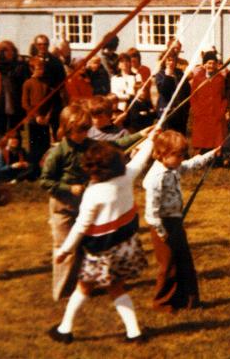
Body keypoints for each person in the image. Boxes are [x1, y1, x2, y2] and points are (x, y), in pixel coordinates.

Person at [47, 137, 153, 344]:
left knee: (84, 287)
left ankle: (64, 330)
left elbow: (81, 226)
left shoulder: (93, 193)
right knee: (116, 288)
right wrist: (151, 139)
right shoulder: (127, 176)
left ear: (93, 169)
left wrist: (65, 250)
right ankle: (134, 333)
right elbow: (141, 159)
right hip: (125, 245)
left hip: (102, 253)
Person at [40, 103, 144, 301]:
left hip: (83, 203)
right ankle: (62, 293)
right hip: (62, 206)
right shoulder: (57, 153)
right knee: (65, 248)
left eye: (87, 129)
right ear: (67, 129)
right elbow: (45, 180)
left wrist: (142, 134)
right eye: (80, 130)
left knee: (83, 245)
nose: (84, 133)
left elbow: (116, 145)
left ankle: (83, 286)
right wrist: (68, 188)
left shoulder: (90, 144)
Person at [143, 130, 218, 312]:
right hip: (162, 225)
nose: (180, 159)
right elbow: (151, 211)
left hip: (175, 222)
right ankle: (162, 303)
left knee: (185, 261)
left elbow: (190, 165)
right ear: (162, 154)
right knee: (168, 264)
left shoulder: (173, 167)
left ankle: (190, 301)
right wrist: (162, 232)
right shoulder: (156, 178)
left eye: (181, 155)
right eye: (177, 155)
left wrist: (211, 154)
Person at [190, 51, 228, 154]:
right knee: (203, 136)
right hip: (202, 113)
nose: (210, 66)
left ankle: (216, 157)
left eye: (213, 63)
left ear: (216, 64)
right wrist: (196, 110)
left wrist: (222, 110)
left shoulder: (220, 79)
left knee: (216, 137)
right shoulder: (198, 78)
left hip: (216, 113)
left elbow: (224, 97)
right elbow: (193, 97)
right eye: (208, 63)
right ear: (204, 64)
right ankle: (201, 155)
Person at [0, 40, 30, 136]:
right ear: (1, 53)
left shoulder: (21, 66)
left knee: (18, 133)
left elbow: (26, 85)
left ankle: (18, 150)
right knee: (2, 132)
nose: (10, 53)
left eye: (12, 51)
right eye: (6, 51)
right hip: (1, 104)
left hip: (16, 104)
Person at [21, 57, 52, 169]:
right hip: (33, 119)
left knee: (45, 144)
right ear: (32, 69)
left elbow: (51, 101)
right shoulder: (28, 83)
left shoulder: (46, 83)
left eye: (42, 68)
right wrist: (36, 116)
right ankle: (33, 168)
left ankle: (45, 166)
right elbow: (25, 103)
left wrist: (48, 115)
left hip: (45, 119)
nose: (41, 71)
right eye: (38, 69)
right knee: (34, 145)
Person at [154, 52, 191, 135]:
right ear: (164, 61)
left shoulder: (180, 73)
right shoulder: (160, 75)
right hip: (167, 111)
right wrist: (168, 76)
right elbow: (164, 91)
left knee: (180, 137)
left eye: (173, 60)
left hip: (180, 112)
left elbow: (187, 90)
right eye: (169, 60)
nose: (171, 63)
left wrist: (185, 108)